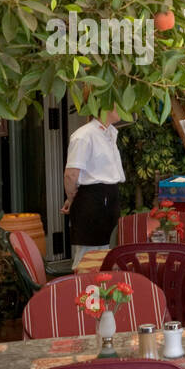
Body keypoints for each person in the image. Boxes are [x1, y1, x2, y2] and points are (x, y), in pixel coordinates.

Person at [63, 109, 125, 268]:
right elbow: (71, 174)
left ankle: (105, 292)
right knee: (88, 258)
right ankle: (82, 291)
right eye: (117, 104)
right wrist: (73, 199)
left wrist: (72, 198)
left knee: (108, 256)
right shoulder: (84, 135)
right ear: (103, 106)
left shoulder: (110, 132)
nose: (123, 108)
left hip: (109, 196)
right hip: (93, 199)